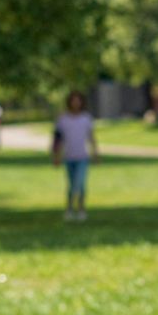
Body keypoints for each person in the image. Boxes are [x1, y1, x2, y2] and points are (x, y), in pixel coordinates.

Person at [52, 90, 99, 222]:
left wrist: (95, 153)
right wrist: (56, 155)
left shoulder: (86, 118)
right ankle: (69, 209)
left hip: (82, 157)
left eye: (78, 100)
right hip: (68, 157)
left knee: (81, 184)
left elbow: (91, 137)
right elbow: (57, 139)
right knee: (71, 185)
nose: (76, 102)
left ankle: (81, 210)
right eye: (73, 100)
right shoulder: (63, 119)